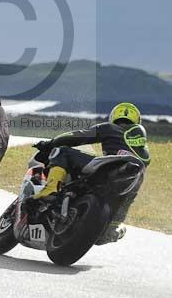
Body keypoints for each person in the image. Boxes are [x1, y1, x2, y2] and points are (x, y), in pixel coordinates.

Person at [32, 102, 150, 243]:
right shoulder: (143, 145)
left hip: (111, 166)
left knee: (62, 151)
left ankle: (51, 189)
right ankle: (113, 226)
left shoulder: (110, 128)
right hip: (134, 176)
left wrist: (50, 143)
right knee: (127, 200)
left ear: (114, 117)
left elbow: (76, 136)